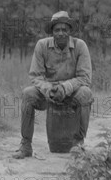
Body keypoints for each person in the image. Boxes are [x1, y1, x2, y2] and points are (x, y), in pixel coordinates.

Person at [12, 11, 93, 159]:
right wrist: (48, 89)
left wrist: (65, 88)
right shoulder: (41, 46)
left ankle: (79, 145)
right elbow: (35, 76)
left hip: (72, 93)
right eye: (57, 30)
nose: (61, 33)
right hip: (48, 94)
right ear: (52, 32)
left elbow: (84, 78)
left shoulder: (80, 46)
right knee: (28, 94)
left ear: (70, 31)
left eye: (64, 29)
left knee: (85, 94)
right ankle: (26, 145)